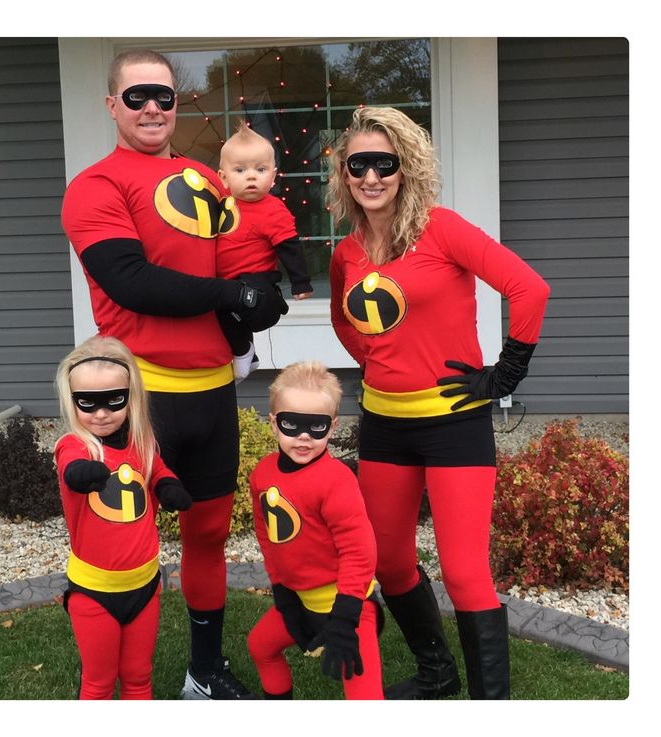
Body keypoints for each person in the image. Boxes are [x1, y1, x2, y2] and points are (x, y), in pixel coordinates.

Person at [60, 49, 285, 699]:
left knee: (208, 531)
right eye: (136, 97)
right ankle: (110, 669)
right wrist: (228, 298)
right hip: (140, 399)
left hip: (212, 391)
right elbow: (130, 281)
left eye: (163, 95)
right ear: (112, 106)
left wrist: (258, 295)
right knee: (118, 534)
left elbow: (240, 265)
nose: (152, 107)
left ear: (177, 103)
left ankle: (204, 670)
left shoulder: (205, 180)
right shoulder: (96, 186)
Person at [328, 106, 550, 700]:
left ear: (406, 170)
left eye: (385, 164)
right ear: (345, 174)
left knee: (465, 572)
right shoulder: (347, 251)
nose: (371, 177)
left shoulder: (442, 229)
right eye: (359, 165)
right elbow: (343, 321)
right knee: (389, 562)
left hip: (455, 426)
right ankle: (437, 672)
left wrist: (504, 375)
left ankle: (489, 708)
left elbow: (530, 289)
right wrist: (376, 358)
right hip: (383, 427)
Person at [54, 335, 193, 699]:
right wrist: (82, 474)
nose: (101, 413)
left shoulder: (143, 443)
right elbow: (70, 467)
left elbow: (158, 470)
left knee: (137, 677)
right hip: (94, 590)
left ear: (132, 398)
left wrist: (169, 486)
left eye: (113, 401)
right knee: (98, 684)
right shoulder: (76, 446)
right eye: (88, 403)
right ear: (72, 402)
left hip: (145, 585)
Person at [247, 361, 384, 700]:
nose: (304, 436)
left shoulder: (337, 481)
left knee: (364, 694)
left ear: (333, 426)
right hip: (299, 601)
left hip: (351, 607)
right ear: (273, 423)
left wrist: (345, 616)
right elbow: (266, 533)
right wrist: (281, 589)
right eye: (292, 424)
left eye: (317, 426)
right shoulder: (262, 475)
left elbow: (359, 549)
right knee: (260, 647)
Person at [216, 122, 313, 382]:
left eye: (260, 169)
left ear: (273, 176)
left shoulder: (273, 209)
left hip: (257, 280)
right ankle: (252, 354)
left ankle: (243, 351)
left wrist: (300, 283)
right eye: (240, 170)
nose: (251, 176)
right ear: (223, 178)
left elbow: (289, 247)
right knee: (217, 308)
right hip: (227, 279)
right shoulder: (221, 204)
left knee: (225, 311)